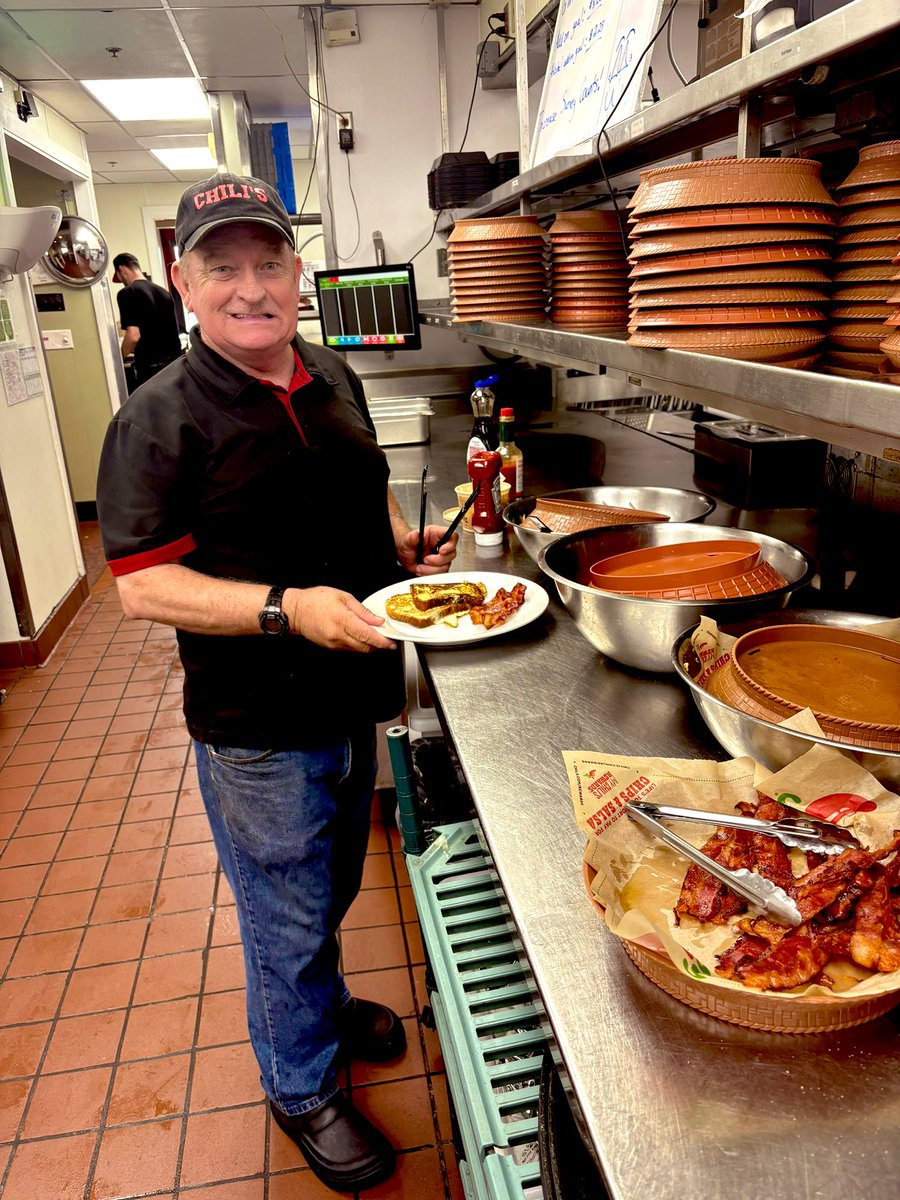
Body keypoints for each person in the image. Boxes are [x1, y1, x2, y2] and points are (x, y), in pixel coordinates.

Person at [96, 172, 458, 1193]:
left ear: (297, 273)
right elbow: (143, 587)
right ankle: (299, 1084)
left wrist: (399, 546)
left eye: (269, 263)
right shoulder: (158, 419)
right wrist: (285, 607)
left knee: (333, 882)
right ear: (184, 282)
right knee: (284, 909)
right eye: (225, 268)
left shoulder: (328, 371)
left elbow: (362, 485)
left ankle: (321, 1005)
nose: (251, 287)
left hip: (354, 691)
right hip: (258, 722)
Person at [111, 251, 183, 385]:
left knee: (154, 406)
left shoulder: (127, 293)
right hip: (174, 365)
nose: (121, 281)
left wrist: (119, 359)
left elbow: (133, 336)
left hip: (151, 368)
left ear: (121, 269)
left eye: (119, 277)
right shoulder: (164, 292)